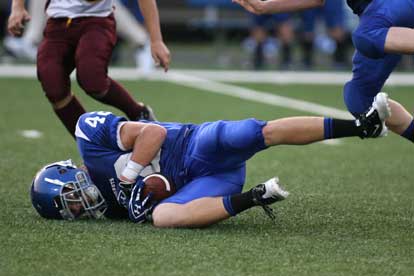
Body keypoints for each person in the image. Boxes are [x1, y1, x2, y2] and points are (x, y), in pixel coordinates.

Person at [31, 93, 390, 227]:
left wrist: (129, 177)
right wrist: (152, 190)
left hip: (193, 145)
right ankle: (255, 198)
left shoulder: (89, 137)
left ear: (70, 174)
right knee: (163, 217)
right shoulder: (106, 210)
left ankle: (362, 126)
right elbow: (163, 189)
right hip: (205, 185)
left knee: (255, 132)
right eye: (72, 208)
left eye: (72, 195)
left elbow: (153, 134)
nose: (81, 203)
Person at [233, 0, 414, 144]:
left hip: (389, 8)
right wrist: (264, 7)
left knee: (366, 35)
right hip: (380, 18)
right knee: (359, 99)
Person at [7, 0, 170, 138]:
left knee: (92, 79)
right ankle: (91, 146)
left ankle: (139, 113)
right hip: (57, 23)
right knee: (53, 85)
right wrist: (18, 8)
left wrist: (156, 40)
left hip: (96, 21)